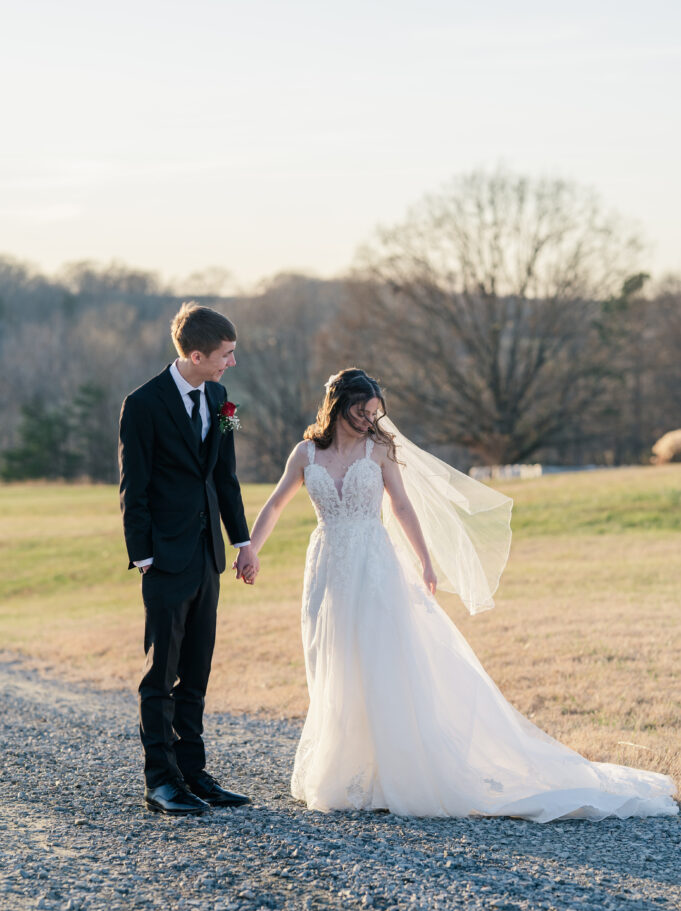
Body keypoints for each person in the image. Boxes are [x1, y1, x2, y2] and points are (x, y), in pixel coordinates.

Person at [247, 368, 677, 822]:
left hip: (374, 566)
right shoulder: (305, 453)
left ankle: (391, 769)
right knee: (333, 658)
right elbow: (275, 503)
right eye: (362, 411)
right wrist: (251, 549)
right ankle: (344, 769)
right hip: (327, 567)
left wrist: (427, 562)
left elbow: (403, 506)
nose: (370, 420)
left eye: (375, 412)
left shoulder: (380, 450)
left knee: (379, 659)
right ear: (339, 406)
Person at [119, 302, 259, 815]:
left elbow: (225, 477)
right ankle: (162, 781)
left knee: (196, 670)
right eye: (226, 355)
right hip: (164, 558)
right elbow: (133, 486)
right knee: (162, 673)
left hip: (208, 557)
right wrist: (144, 558)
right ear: (196, 354)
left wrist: (242, 543)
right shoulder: (142, 404)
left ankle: (194, 774)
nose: (232, 363)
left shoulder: (222, 398)